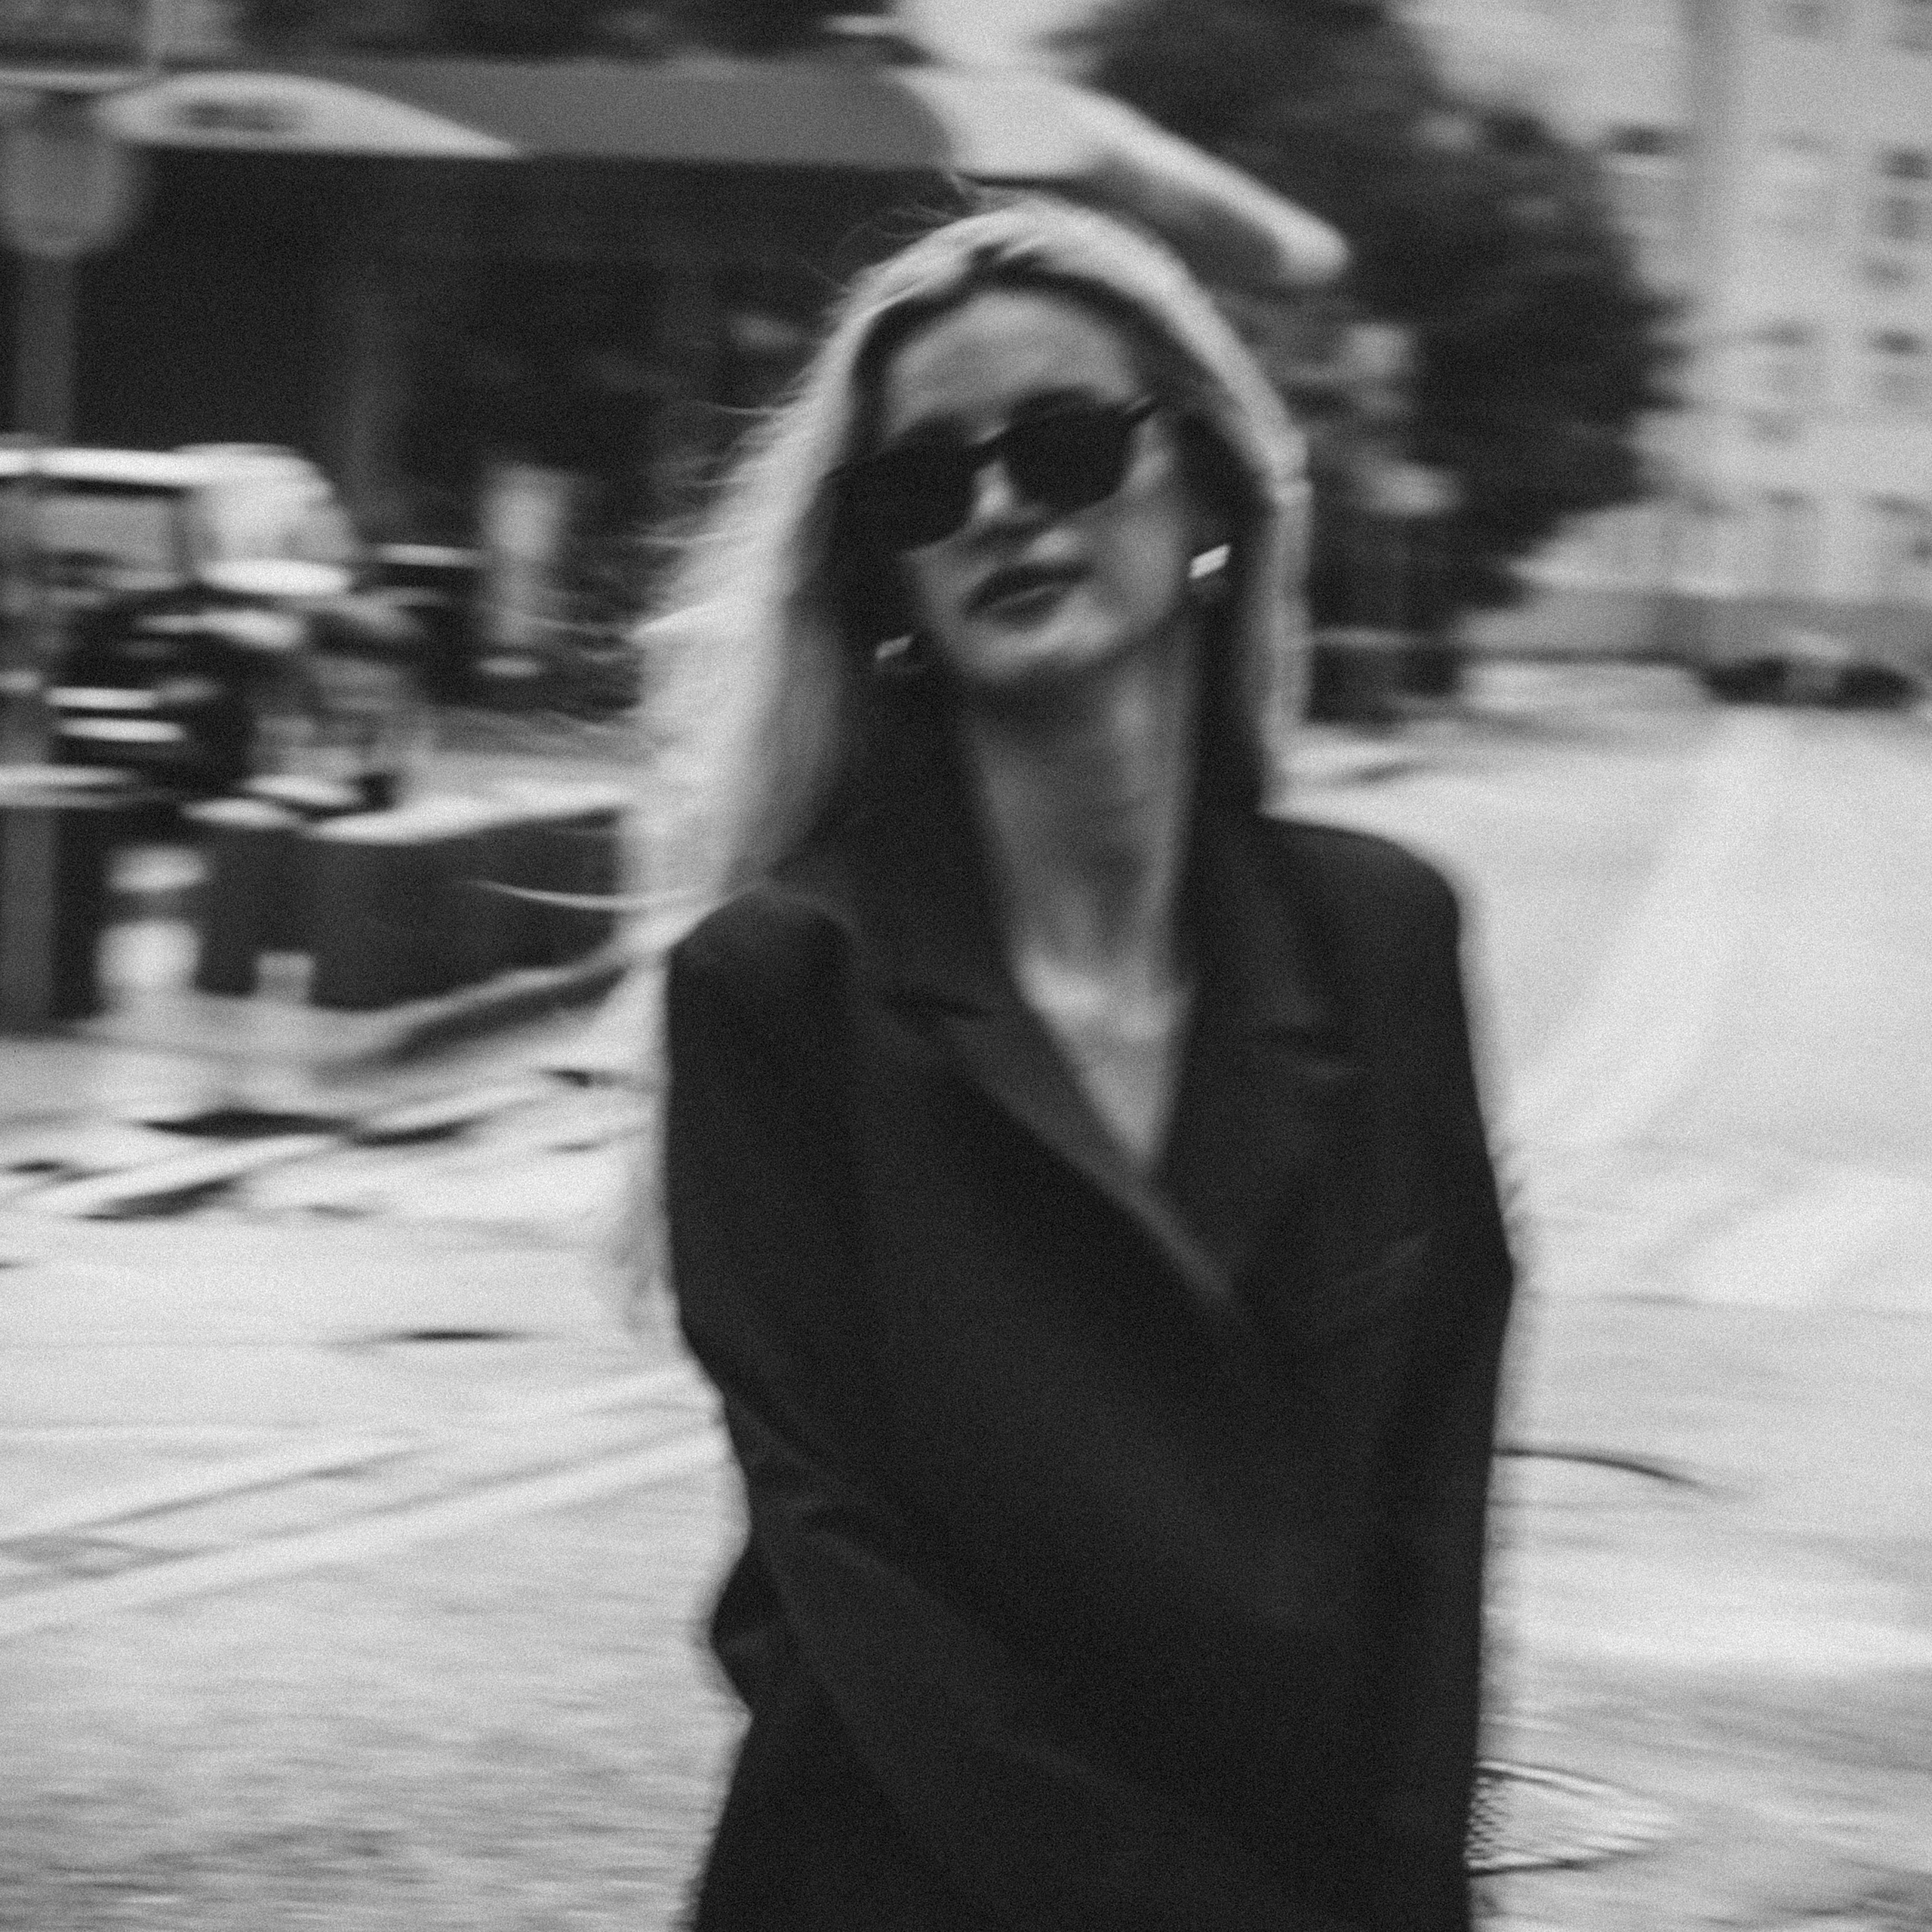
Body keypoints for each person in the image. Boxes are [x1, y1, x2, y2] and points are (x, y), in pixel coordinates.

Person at [651, 195, 1515, 1932]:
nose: (995, 506)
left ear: (1204, 497)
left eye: (1061, 445)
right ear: (884, 583)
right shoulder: (775, 990)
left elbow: (1429, 1526)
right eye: (924, 482)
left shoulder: (1383, 941)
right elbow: (844, 1576)